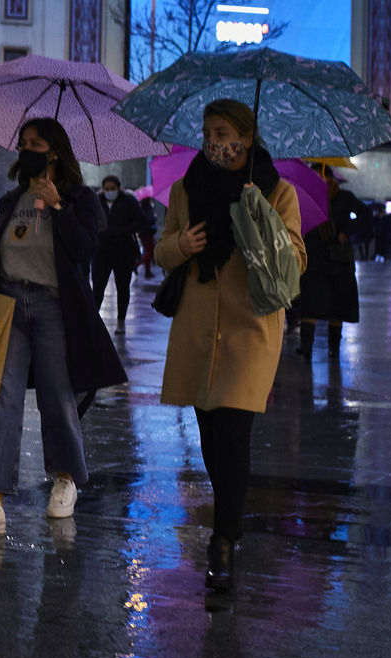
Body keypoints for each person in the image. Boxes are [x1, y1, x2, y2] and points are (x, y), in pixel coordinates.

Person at [155, 99, 305, 592]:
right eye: (207, 132)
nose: (214, 141)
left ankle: (223, 543)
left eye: (222, 131)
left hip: (250, 328)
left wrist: (260, 225)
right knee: (210, 436)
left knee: (234, 431)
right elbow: (161, 249)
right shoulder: (185, 189)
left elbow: (297, 260)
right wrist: (183, 246)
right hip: (198, 326)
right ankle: (230, 513)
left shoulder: (277, 192)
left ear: (245, 135)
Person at [0, 117, 124, 538]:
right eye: (23, 142)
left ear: (54, 151)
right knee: (1, 396)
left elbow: (86, 250)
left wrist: (57, 206)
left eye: (35, 143)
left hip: (53, 307)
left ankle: (66, 477)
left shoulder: (79, 198)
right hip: (10, 305)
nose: (26, 148)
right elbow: (1, 257)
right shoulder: (10, 199)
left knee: (57, 395)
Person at [296, 171, 370, 359]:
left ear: (330, 178)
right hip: (315, 259)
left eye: (323, 177)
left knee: (338, 305)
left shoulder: (344, 197)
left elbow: (365, 215)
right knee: (310, 302)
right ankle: (306, 346)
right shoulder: (306, 197)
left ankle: (334, 347)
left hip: (338, 259)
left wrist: (347, 232)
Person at [91, 175, 149, 334]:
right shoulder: (97, 201)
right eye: (107, 188)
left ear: (118, 187)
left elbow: (141, 221)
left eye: (112, 188)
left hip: (123, 251)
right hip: (101, 251)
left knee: (123, 287)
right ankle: (93, 320)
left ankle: (121, 321)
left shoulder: (128, 201)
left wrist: (123, 231)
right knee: (98, 288)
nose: (110, 191)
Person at [138, 196, 158, 278]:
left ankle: (146, 269)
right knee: (149, 252)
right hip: (147, 233)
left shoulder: (141, 208)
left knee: (148, 252)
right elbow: (149, 219)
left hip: (144, 233)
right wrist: (154, 217)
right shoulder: (148, 208)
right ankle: (139, 263)